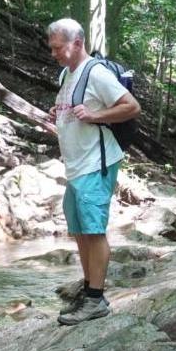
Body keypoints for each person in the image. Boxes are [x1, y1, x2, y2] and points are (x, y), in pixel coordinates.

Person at [46, 18, 141, 325]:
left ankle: (96, 300)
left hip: (95, 163)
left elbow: (131, 106)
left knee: (94, 231)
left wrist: (97, 115)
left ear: (77, 43)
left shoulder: (95, 73)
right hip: (75, 166)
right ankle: (89, 292)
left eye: (58, 48)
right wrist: (57, 112)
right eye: (52, 48)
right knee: (79, 231)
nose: (54, 53)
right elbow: (74, 109)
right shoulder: (66, 74)